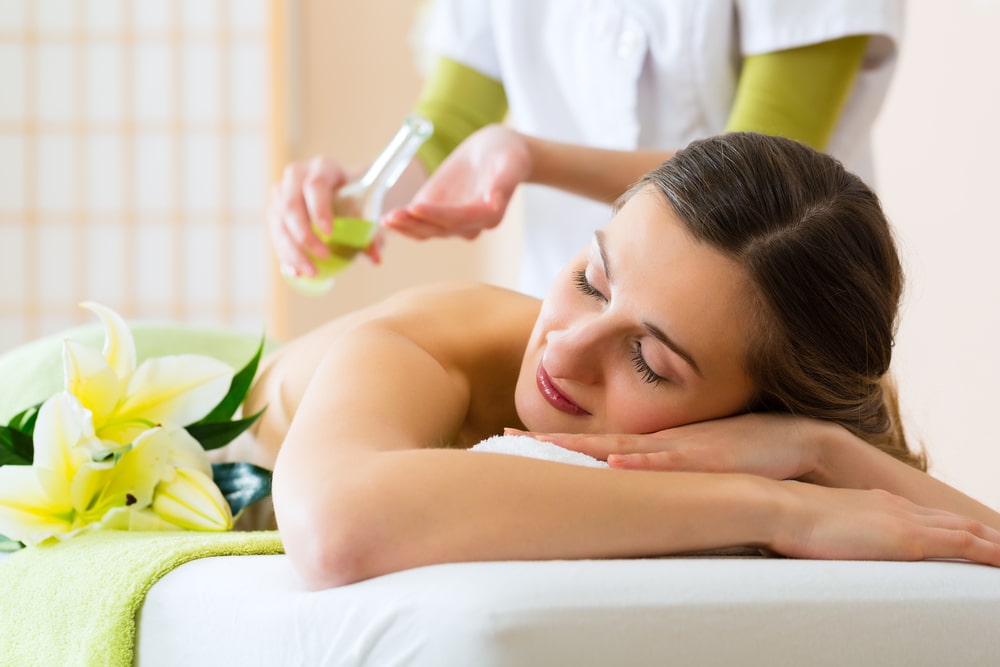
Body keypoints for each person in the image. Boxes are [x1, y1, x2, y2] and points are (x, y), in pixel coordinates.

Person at [243, 131, 1000, 590]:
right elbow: (335, 525)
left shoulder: (784, 431)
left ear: (755, 411)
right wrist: (782, 505)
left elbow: (973, 537)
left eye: (647, 359)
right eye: (590, 280)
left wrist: (820, 448)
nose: (564, 348)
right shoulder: (438, 343)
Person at [270, 0, 905, 297]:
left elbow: (759, 179)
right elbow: (449, 124)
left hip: (765, 333)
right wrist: (358, 193)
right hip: (568, 336)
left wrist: (532, 157)